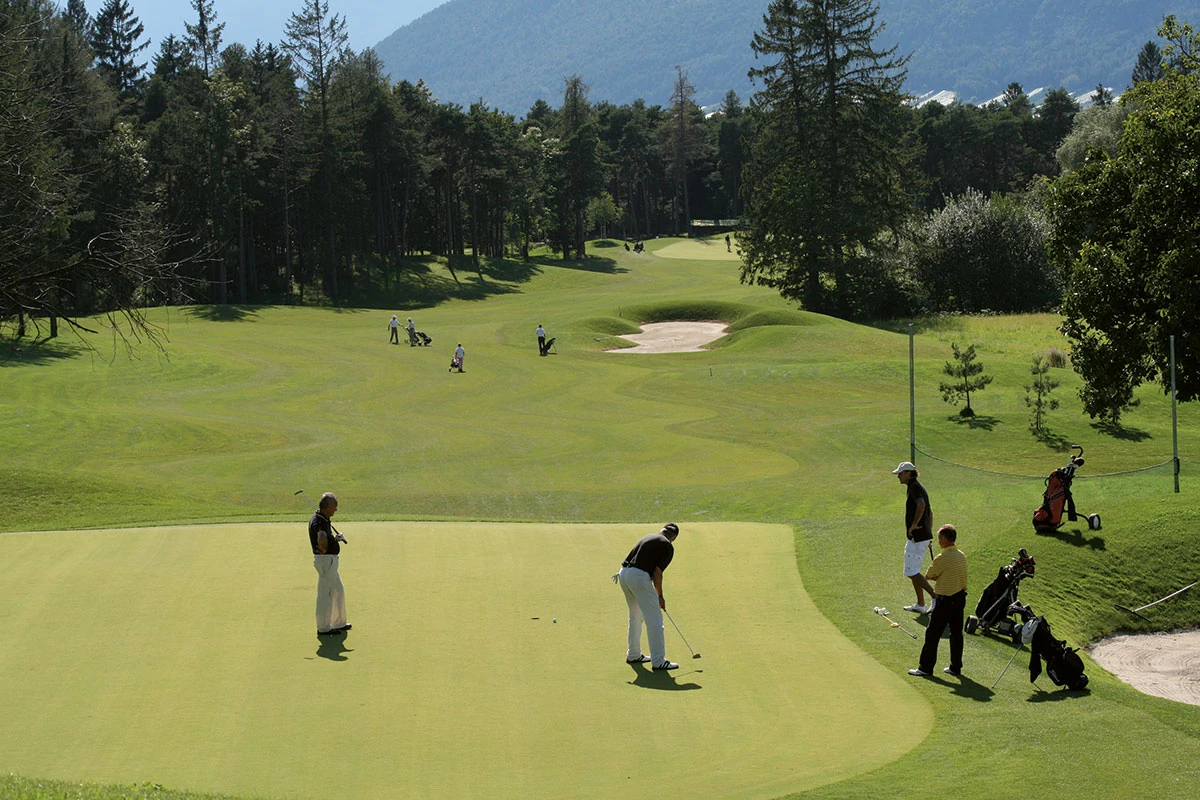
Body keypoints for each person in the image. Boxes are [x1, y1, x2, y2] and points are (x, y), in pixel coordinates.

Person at [616, 523, 681, 670]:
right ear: (674, 538)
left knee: (635, 616)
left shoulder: (649, 536)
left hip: (624, 574)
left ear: (662, 530)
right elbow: (657, 572)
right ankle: (658, 661)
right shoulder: (667, 546)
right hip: (638, 577)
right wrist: (660, 596)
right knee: (655, 620)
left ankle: (633, 654)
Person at [908, 524, 968, 677]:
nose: (939, 540)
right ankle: (955, 667)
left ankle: (925, 668)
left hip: (945, 600)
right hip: (960, 598)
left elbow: (929, 575)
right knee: (956, 634)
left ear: (946, 539)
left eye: (940, 537)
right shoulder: (961, 555)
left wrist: (938, 574)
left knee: (933, 634)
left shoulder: (942, 557)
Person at [894, 461, 934, 614]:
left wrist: (914, 525)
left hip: (918, 537)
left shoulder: (915, 487)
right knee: (912, 571)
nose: (898, 476)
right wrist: (928, 534)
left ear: (909, 473)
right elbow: (930, 513)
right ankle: (920, 604)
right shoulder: (915, 486)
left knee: (911, 572)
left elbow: (922, 505)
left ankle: (935, 597)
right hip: (920, 537)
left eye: (901, 473)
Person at [310, 492, 350, 636]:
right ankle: (323, 627)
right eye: (334, 506)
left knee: (337, 590)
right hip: (326, 561)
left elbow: (325, 535)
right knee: (325, 594)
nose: (336, 509)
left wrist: (334, 539)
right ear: (327, 507)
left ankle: (338, 622)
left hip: (329, 561)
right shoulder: (319, 521)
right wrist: (324, 547)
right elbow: (321, 536)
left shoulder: (323, 518)